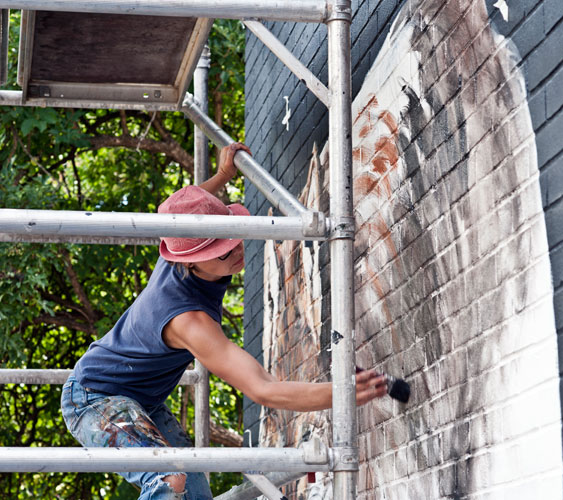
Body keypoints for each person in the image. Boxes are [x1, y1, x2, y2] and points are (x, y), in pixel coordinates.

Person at [61, 143, 387, 500]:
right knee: (169, 481)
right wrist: (342, 394)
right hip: (95, 398)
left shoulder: (180, 240)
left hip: (144, 399)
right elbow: (263, 389)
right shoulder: (189, 321)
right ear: (190, 263)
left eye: (232, 240)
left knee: (196, 492)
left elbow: (182, 204)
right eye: (220, 253)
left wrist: (223, 176)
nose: (235, 252)